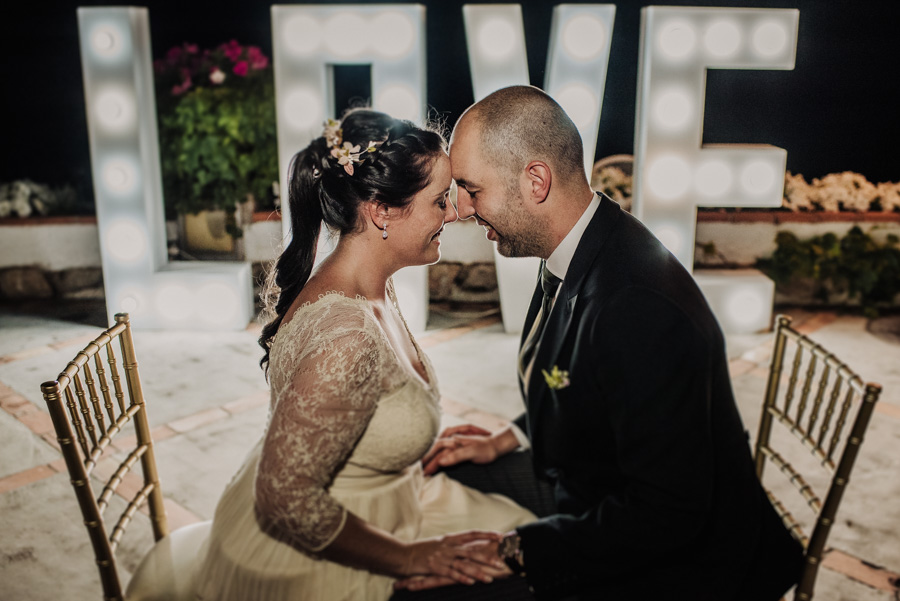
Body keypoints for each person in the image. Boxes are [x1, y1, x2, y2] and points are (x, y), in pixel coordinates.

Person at [396, 86, 804, 600]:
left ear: (535, 180)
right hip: (598, 483)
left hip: (685, 564)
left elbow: (668, 513)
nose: (460, 211)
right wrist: (512, 437)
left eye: (472, 190)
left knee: (432, 590)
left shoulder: (637, 306)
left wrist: (517, 550)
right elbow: (585, 383)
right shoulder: (585, 244)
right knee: (449, 475)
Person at [193, 109, 537, 601]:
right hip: (334, 548)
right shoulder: (346, 338)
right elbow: (283, 499)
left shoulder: (365, 286)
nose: (456, 212)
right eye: (440, 200)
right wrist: (411, 557)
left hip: (391, 499)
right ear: (381, 212)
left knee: (523, 541)